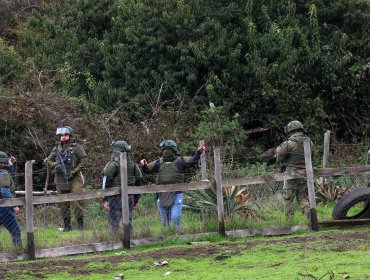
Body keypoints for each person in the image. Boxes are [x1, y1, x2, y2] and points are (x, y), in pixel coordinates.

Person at [140, 140, 205, 227]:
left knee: (175, 218)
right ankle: (167, 238)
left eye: (169, 150)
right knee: (164, 222)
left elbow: (192, 162)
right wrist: (143, 165)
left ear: (173, 150)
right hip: (162, 195)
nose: (166, 152)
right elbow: (147, 170)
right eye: (165, 150)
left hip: (177, 193)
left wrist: (198, 152)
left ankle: (176, 237)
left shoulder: (180, 161)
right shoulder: (159, 162)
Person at [46, 125, 87, 231]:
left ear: (70, 135)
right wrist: (55, 164)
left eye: (65, 135)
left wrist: (75, 171)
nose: (63, 137)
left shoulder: (76, 147)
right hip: (60, 178)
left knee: (77, 201)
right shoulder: (57, 148)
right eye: (61, 135)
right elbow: (47, 160)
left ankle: (80, 227)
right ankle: (67, 227)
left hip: (74, 178)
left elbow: (84, 161)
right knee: (63, 203)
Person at [102, 141, 143, 234]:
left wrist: (105, 199)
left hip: (115, 197)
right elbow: (139, 182)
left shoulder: (112, 164)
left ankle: (114, 241)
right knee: (128, 221)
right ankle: (130, 240)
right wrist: (136, 199)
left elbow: (106, 182)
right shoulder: (133, 165)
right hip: (130, 197)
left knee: (114, 222)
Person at [275, 120, 314, 219]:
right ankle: (309, 216)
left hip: (291, 174)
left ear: (291, 130)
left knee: (287, 198)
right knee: (302, 197)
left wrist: (278, 150)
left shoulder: (290, 143)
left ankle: (290, 221)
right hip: (305, 173)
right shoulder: (309, 141)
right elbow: (312, 157)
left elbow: (279, 158)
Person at [0, 151, 22, 246]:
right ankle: (18, 253)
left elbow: (7, 172)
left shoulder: (4, 172)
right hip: (3, 207)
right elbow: (5, 192)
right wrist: (14, 205)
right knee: (15, 231)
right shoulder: (4, 174)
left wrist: (10, 164)